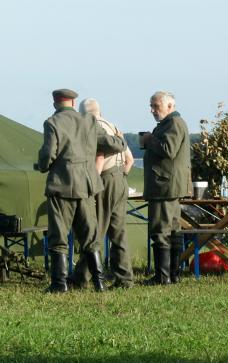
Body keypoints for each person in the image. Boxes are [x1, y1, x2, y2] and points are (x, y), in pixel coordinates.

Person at [35, 88, 126, 293]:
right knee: (90, 237)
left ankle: (59, 285)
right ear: (73, 103)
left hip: (62, 186)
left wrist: (42, 165)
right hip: (86, 187)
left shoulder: (52, 123)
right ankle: (99, 283)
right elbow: (111, 144)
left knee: (59, 237)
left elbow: (49, 153)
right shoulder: (89, 122)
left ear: (55, 103)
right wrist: (121, 140)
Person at [78, 98, 136, 288]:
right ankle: (124, 277)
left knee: (95, 230)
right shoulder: (114, 127)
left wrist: (91, 187)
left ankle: (82, 277)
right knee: (118, 232)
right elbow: (130, 160)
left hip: (104, 180)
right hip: (120, 179)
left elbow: (99, 158)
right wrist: (121, 177)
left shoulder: (93, 128)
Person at [139, 91, 191, 286]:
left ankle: (163, 276)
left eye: (156, 106)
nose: (152, 110)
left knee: (161, 230)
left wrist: (149, 139)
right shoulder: (170, 124)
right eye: (151, 106)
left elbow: (168, 150)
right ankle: (173, 274)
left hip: (164, 186)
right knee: (173, 230)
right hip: (168, 185)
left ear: (170, 106)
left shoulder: (174, 124)